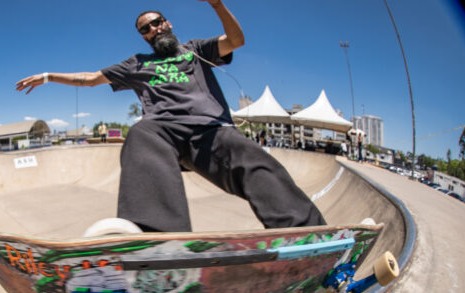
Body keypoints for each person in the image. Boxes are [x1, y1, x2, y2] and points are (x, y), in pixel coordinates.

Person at [16, 0, 325, 232]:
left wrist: (217, 4)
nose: (153, 29)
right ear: (143, 37)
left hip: (210, 131)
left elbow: (235, 41)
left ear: (168, 23)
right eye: (146, 29)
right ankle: (157, 240)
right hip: (163, 132)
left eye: (157, 22)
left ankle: (306, 233)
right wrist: (47, 76)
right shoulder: (137, 63)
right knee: (140, 133)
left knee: (249, 155)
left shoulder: (196, 50)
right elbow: (91, 78)